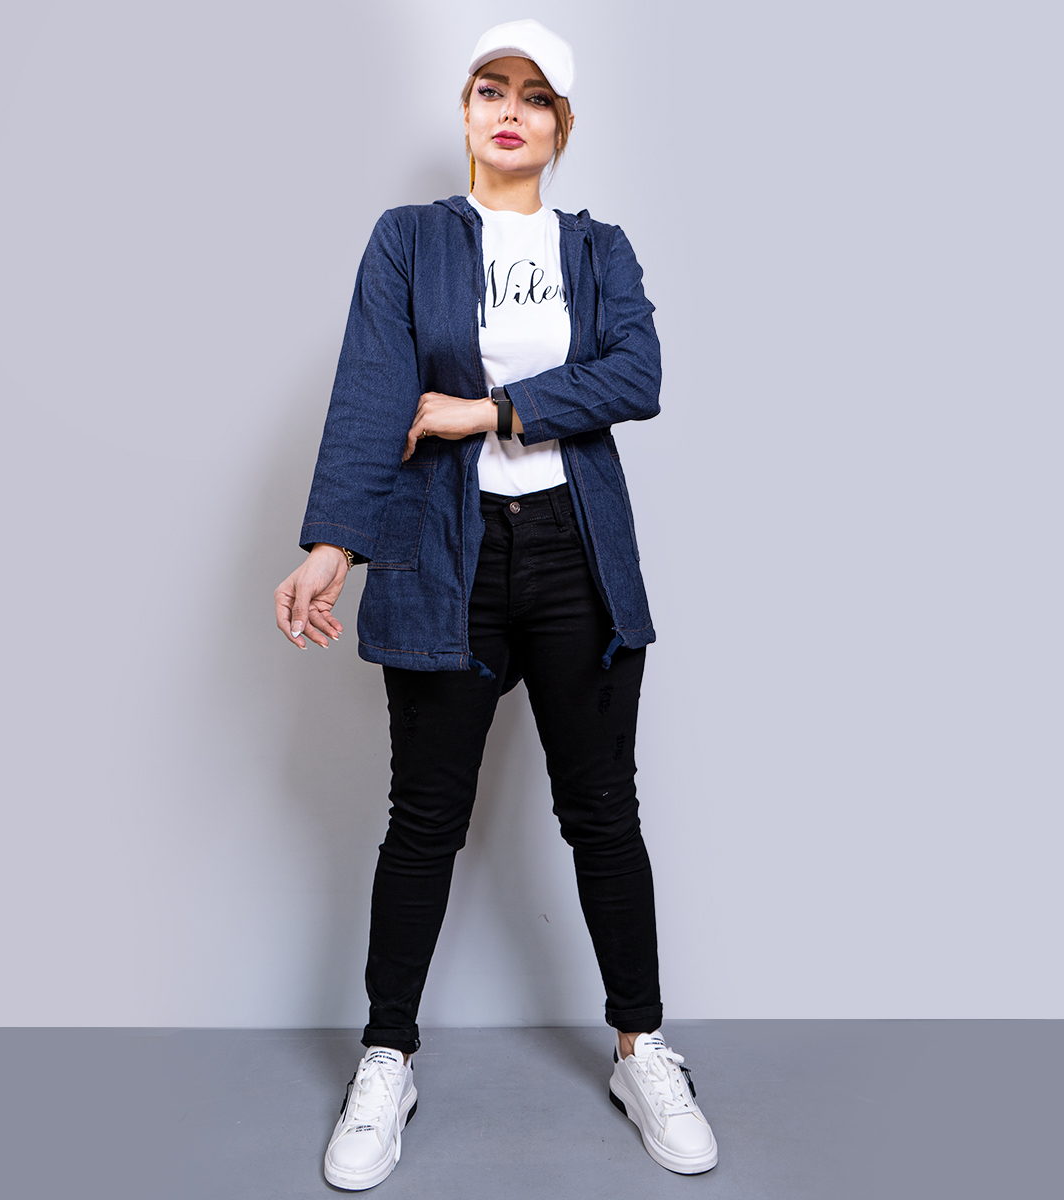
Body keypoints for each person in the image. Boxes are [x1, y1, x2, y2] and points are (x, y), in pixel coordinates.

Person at [274, 19, 717, 1190]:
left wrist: (492, 411)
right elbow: (373, 391)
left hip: (576, 551)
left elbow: (638, 374)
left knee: (602, 812)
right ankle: (387, 1059)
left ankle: (642, 1050)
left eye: (533, 96)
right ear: (465, 112)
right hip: (443, 554)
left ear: (563, 126)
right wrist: (332, 548)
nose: (509, 110)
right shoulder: (411, 239)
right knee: (424, 817)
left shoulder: (598, 249)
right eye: (489, 89)